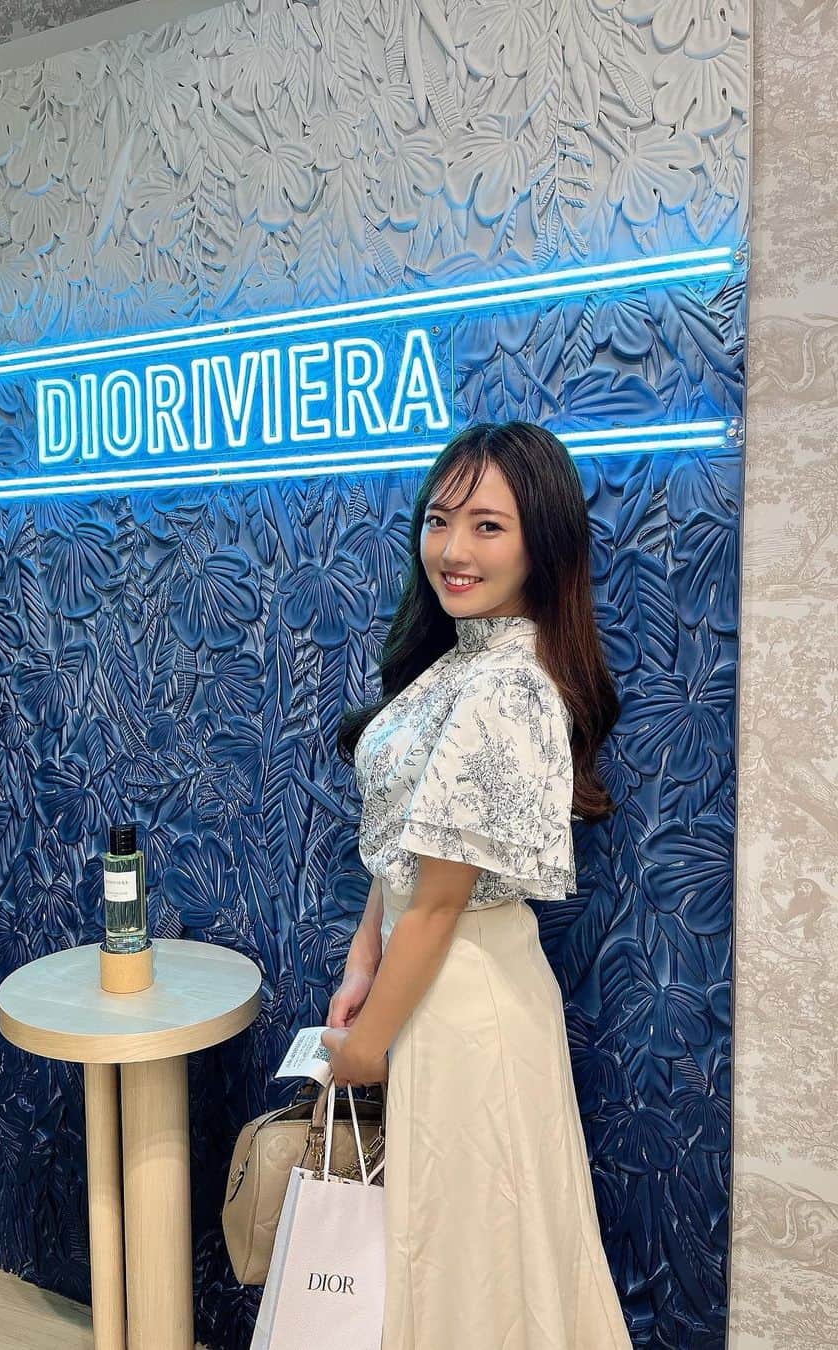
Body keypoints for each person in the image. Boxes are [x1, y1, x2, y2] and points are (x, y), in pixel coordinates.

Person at [320, 421, 632, 1349]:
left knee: (468, 1277)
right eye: (439, 520)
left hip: (463, 1005)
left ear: (542, 543)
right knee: (455, 1266)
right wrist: (363, 958)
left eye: (487, 526)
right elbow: (407, 848)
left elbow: (443, 900)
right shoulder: (460, 662)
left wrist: (367, 1044)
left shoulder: (506, 683)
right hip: (429, 983)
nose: (453, 549)